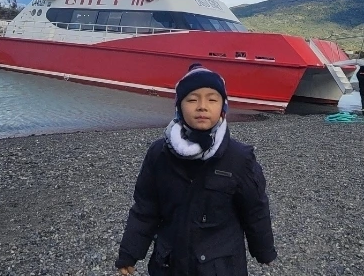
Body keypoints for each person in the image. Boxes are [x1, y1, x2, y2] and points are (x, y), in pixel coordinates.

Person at [116, 64, 277, 275]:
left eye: (212, 100)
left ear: (223, 107)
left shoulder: (239, 158)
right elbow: (145, 209)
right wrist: (129, 253)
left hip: (221, 268)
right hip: (169, 264)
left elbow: (255, 210)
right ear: (179, 107)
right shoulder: (159, 154)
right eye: (192, 100)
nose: (202, 107)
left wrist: (264, 250)